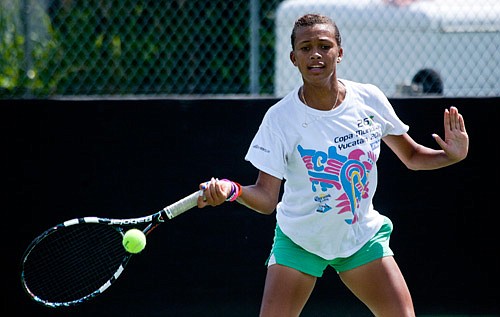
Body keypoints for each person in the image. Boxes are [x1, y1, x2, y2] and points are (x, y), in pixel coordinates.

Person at [197, 14, 468, 317]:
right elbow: (265, 198)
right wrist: (232, 190)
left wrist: (450, 156)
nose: (315, 54)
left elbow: (413, 157)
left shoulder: (369, 99)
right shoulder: (279, 118)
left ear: (339, 52)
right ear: (293, 58)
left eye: (324, 46)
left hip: (361, 239)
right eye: (305, 47)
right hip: (300, 241)